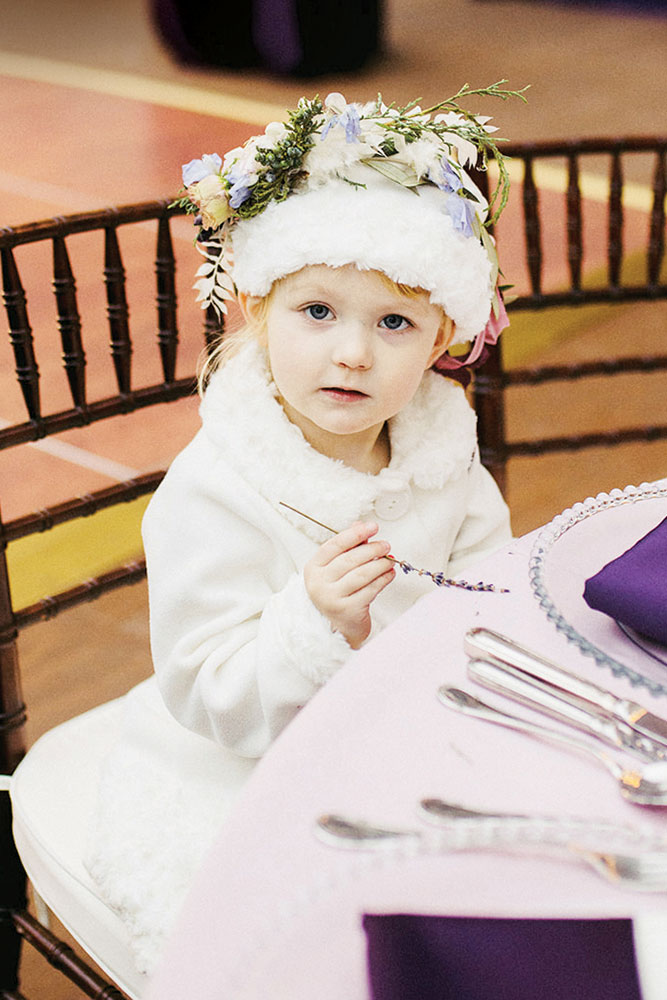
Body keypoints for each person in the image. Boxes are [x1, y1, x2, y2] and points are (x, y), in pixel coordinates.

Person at [85, 83, 524, 977]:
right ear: (256, 311)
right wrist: (313, 623)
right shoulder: (218, 486)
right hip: (252, 760)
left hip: (415, 729)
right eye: (316, 311)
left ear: (443, 334)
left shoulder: (441, 454)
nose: (352, 352)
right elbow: (205, 681)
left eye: (393, 322)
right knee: (312, 946)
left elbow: (490, 581)